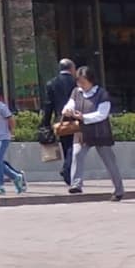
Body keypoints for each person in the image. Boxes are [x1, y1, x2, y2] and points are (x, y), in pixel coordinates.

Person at [66, 68, 124, 198]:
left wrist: (84, 117)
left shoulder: (102, 94)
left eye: (83, 82)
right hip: (82, 132)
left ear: (91, 81)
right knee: (77, 155)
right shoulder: (76, 92)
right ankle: (76, 184)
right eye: (79, 81)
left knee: (109, 162)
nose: (81, 84)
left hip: (100, 133)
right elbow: (70, 104)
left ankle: (119, 189)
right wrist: (68, 110)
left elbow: (102, 114)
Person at [47, 60, 84, 192]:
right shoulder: (77, 84)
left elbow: (48, 104)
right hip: (76, 120)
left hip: (61, 121)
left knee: (66, 146)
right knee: (74, 148)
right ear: (72, 68)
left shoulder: (52, 83)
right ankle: (68, 171)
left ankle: (68, 171)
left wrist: (46, 122)